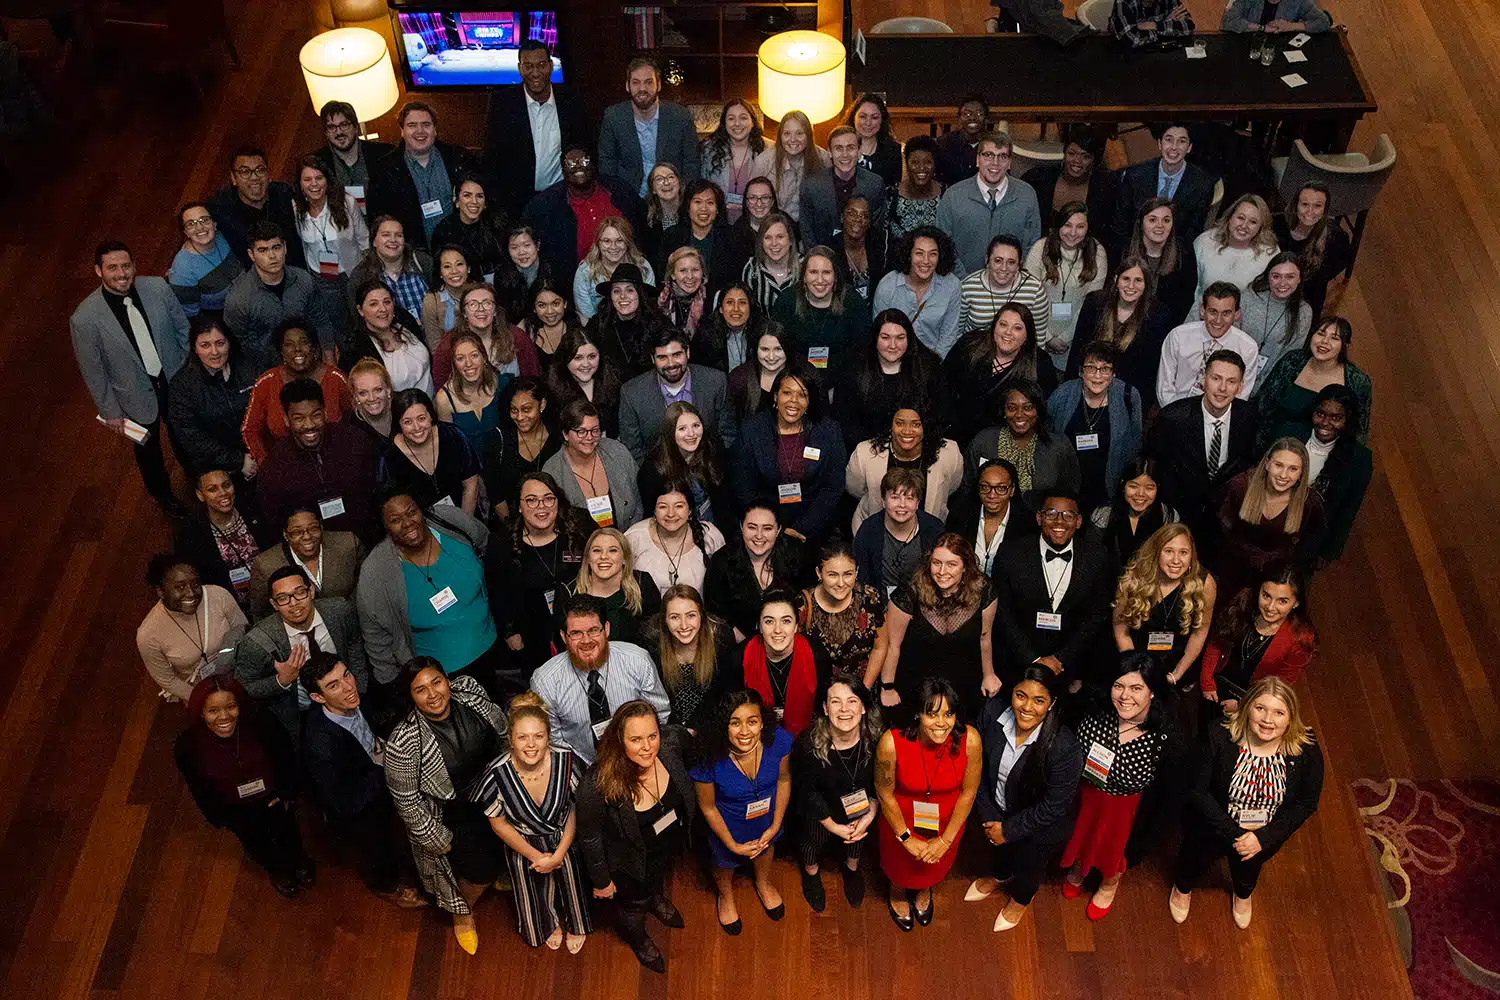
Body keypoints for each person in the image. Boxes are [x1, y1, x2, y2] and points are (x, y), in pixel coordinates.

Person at [1169, 676, 1324, 929]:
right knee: (1194, 859)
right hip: (1211, 826)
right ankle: (1182, 888)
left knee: (1249, 869)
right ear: (1247, 707)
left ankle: (1243, 894)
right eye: (1260, 708)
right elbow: (1197, 790)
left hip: (1263, 835)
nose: (1268, 720)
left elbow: (1307, 802)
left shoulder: (1306, 748)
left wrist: (1262, 838)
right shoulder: (1218, 734)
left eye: (1278, 712)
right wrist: (1236, 835)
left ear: (1291, 717)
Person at [384, 659, 508, 953]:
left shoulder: (471, 693)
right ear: (411, 697)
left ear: (447, 680)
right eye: (420, 689)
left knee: (508, 848)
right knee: (479, 872)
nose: (433, 694)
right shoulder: (404, 741)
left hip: (498, 795)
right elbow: (407, 800)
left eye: (436, 682)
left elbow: (503, 732)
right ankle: (462, 912)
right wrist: (436, 838)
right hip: (458, 814)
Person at [298, 652, 427, 907]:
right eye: (333, 685)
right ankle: (388, 887)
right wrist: (383, 766)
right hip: (359, 810)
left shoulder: (357, 700)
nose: (348, 687)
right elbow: (343, 803)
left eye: (346, 675)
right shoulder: (320, 745)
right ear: (317, 697)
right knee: (375, 850)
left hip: (379, 784)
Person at [575, 700, 694, 973]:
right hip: (627, 865)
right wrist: (602, 881)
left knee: (656, 882)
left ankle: (655, 898)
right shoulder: (598, 783)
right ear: (619, 740)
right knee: (633, 908)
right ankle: (639, 941)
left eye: (652, 736)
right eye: (636, 739)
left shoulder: (670, 748)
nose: (647, 746)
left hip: (665, 850)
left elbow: (687, 740)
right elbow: (590, 837)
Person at [72, 241, 191, 513]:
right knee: (148, 452)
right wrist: (110, 411)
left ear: (134, 266)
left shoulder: (158, 288)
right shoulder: (84, 319)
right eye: (112, 268)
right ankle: (163, 496)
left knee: (183, 431)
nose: (121, 273)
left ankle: (196, 475)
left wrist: (187, 370)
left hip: (174, 379)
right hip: (132, 398)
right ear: (98, 271)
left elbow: (182, 328)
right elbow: (94, 370)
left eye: (126, 266)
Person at [356, 488, 507, 698]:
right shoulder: (376, 572)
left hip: (495, 653)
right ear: (384, 526)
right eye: (395, 519)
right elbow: (375, 636)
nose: (408, 522)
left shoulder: (451, 522)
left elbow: (489, 548)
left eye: (411, 512)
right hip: (438, 678)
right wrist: (394, 686)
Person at [472, 691, 592, 952]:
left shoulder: (567, 761)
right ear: (511, 740)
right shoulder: (495, 775)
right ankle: (546, 923)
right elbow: (498, 823)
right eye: (522, 737)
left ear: (548, 737)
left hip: (565, 838)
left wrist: (558, 854)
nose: (531, 744)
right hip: (522, 844)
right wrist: (537, 856)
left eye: (538, 736)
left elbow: (575, 808)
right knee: (533, 890)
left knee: (574, 882)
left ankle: (575, 921)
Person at [1057, 654, 1174, 920]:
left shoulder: (1165, 737)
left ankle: (1110, 882)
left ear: (1152, 692)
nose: (1124, 696)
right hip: (1086, 795)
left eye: (1136, 688)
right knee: (1080, 836)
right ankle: (1079, 867)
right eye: (1118, 686)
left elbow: (1166, 796)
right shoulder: (1095, 711)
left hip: (1127, 809)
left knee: (1115, 849)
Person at [967, 666, 1082, 931]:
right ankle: (1000, 876)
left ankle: (1020, 899)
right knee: (998, 850)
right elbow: (977, 767)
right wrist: (991, 818)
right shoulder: (993, 714)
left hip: (1041, 826)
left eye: (1039, 700)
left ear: (1051, 703)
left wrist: (1008, 829)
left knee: (1030, 864)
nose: (1027, 707)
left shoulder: (1065, 747)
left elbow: (1053, 807)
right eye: (1021, 696)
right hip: (998, 810)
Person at [174, 675, 311, 897]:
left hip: (273, 798)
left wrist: (285, 791)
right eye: (213, 711)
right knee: (257, 843)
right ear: (201, 712)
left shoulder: (261, 722)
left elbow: (285, 755)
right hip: (236, 810)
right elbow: (198, 786)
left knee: (288, 831)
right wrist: (222, 817)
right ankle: (278, 871)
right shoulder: (188, 746)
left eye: (230, 707)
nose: (224, 716)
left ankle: (299, 862)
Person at [875, 677, 983, 931]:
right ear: (917, 713)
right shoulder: (891, 743)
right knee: (899, 868)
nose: (941, 723)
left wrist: (945, 840)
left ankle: (924, 889)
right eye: (931, 714)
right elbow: (884, 793)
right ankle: (898, 892)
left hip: (948, 824)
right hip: (900, 822)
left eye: (948, 714)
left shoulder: (971, 740)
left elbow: (969, 792)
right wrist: (905, 837)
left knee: (933, 866)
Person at [692, 688, 794, 932]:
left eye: (752, 721)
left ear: (762, 723)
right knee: (725, 864)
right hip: (727, 828)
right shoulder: (707, 756)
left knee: (766, 849)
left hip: (768, 820)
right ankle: (725, 896)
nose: (745, 732)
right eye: (735, 723)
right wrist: (732, 845)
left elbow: (784, 780)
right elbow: (707, 807)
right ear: (723, 726)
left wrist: (775, 825)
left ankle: (763, 882)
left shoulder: (778, 740)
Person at [990, 490, 1116, 690]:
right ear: (1039, 518)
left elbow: (1097, 616)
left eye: (1068, 515)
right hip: (1018, 666)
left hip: (1072, 670)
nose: (1060, 521)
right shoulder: (1011, 553)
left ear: (1079, 521)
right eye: (1051, 514)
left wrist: (1061, 658)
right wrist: (1034, 659)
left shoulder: (1097, 557)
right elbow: (1002, 613)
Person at [530, 594, 671, 764]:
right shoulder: (545, 681)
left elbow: (659, 715)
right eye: (576, 633)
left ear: (607, 629)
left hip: (639, 760)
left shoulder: (638, 661)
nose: (586, 641)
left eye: (594, 630)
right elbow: (553, 739)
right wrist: (583, 773)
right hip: (580, 768)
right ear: (563, 637)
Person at [233, 565, 368, 738]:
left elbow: (354, 645)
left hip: (349, 703)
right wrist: (281, 680)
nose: (294, 603)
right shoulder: (257, 642)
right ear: (274, 604)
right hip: (302, 718)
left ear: (311, 591)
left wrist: (360, 691)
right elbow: (242, 687)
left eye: (299, 592)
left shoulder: (339, 611)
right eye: (283, 598)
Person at [878, 534, 999, 719]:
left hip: (964, 684)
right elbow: (892, 645)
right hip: (915, 684)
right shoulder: (910, 590)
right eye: (937, 563)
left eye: (951, 564)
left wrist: (989, 674)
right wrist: (888, 687)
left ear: (965, 566)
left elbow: (985, 638)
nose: (942, 571)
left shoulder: (984, 589)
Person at [792, 673, 881, 911]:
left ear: (863, 707)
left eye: (852, 701)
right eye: (835, 702)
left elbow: (883, 782)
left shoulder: (876, 739)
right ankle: (811, 874)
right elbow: (805, 791)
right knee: (813, 840)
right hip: (820, 809)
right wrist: (832, 825)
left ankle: (851, 870)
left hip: (862, 807)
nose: (844, 709)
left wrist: (871, 813)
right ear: (824, 708)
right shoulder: (808, 744)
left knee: (858, 836)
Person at [1147, 351, 1260, 537]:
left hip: (1224, 515)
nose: (1222, 388)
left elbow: (1248, 460)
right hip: (1179, 511)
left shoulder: (1249, 416)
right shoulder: (1172, 418)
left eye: (1231, 382)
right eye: (1216, 378)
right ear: (1203, 379)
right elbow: (1153, 461)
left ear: (1240, 387)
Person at [256, 378, 383, 542]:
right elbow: (275, 523)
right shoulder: (275, 467)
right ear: (287, 420)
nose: (309, 425)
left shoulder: (355, 441)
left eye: (315, 415)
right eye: (299, 418)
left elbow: (377, 493)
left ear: (325, 413)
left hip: (367, 538)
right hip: (314, 549)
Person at [731, 366, 848, 544]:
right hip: (763, 530)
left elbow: (832, 488)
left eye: (802, 395)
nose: (794, 401)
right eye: (787, 393)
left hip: (814, 530)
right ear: (776, 396)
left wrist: (801, 529)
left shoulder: (828, 431)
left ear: (810, 402)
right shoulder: (752, 430)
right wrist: (773, 528)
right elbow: (744, 488)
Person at [483, 39, 592, 218]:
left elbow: (585, 147)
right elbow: (491, 158)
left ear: (550, 66)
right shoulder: (502, 104)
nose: (535, 73)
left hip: (563, 199)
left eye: (541, 65)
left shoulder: (572, 100)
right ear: (520, 68)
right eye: (528, 66)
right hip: (517, 204)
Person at [497, 473, 591, 678]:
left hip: (582, 620)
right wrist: (510, 632)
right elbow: (498, 591)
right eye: (531, 500)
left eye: (548, 498)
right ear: (520, 506)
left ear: (558, 500)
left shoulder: (580, 526)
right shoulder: (502, 543)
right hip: (533, 629)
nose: (541, 506)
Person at [1199, 566, 1316, 716]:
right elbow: (1217, 643)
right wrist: (1206, 682)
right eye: (1266, 596)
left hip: (1254, 701)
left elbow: (1281, 683)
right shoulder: (1243, 605)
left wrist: (1244, 705)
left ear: (1296, 603)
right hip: (1216, 686)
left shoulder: (1301, 637)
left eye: (1282, 601)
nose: (1271, 607)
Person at [1113, 524, 1217, 687]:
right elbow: (1121, 629)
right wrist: (1135, 671)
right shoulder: (1134, 579)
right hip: (1135, 668)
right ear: (1156, 552)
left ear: (1191, 556)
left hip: (1178, 672)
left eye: (1183, 552)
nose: (1176, 560)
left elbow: (1200, 633)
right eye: (1168, 551)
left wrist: (1177, 674)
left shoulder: (1204, 584)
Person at [1217, 438, 1325, 594]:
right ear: (1267, 463)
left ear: (1302, 473)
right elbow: (1219, 526)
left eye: (1293, 469)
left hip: (1276, 580)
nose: (1283, 475)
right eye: (1278, 465)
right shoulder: (1240, 487)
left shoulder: (1310, 503)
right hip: (1233, 571)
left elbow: (1311, 545)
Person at [1276, 386, 1371, 564]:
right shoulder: (1288, 432)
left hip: (1306, 543)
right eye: (1320, 414)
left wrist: (1327, 554)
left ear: (1348, 419)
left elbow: (1347, 511)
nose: (1325, 423)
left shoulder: (1359, 459)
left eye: (1336, 418)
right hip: (1268, 528)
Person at [522, 146, 646, 281]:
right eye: (570, 163)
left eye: (584, 161)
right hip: (573, 282)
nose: (578, 166)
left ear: (593, 165)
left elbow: (644, 224)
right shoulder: (546, 204)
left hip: (628, 278)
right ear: (563, 171)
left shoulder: (618, 190)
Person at [1046, 342, 1143, 513]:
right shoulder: (1063, 394)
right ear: (1080, 371)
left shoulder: (1128, 395)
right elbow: (1046, 436)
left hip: (1108, 491)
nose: (1098, 375)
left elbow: (1133, 445)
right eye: (1091, 368)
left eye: (1105, 369)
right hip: (1066, 488)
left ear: (1113, 373)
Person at [1066, 257, 1176, 409]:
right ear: (1116, 280)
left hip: (1129, 397)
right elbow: (1078, 351)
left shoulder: (1158, 315)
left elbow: (1151, 370)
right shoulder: (1095, 303)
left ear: (1146, 285)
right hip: (1089, 389)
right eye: (1126, 279)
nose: (1131, 286)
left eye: (1138, 280)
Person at [224, 223, 334, 372]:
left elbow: (321, 320)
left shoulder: (303, 279)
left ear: (285, 247)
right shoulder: (238, 298)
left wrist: (329, 358)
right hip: (268, 369)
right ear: (251, 255)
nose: (272, 256)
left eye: (276, 248)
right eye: (263, 250)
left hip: (309, 361)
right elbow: (239, 345)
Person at [138, 554, 247, 703]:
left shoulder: (219, 596)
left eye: (195, 584)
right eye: (180, 587)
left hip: (240, 673)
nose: (190, 593)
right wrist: (204, 699)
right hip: (198, 691)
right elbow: (167, 680)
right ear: (160, 591)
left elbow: (243, 631)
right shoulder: (148, 634)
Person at [241, 319, 353, 464]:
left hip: (335, 463)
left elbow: (354, 424)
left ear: (314, 347)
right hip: (283, 467)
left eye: (304, 342)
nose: (297, 349)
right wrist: (265, 463)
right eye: (289, 344)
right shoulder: (266, 382)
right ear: (281, 350)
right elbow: (250, 430)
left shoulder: (336, 379)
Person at [833, 311, 949, 450]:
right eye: (885, 337)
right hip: (868, 449)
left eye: (900, 338)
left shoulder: (928, 369)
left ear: (909, 339)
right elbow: (845, 422)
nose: (893, 345)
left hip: (917, 448)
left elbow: (940, 417)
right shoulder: (854, 369)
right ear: (875, 339)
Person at [366, 102, 474, 251]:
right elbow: (378, 220)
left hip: (458, 252)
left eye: (426, 125)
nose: (420, 131)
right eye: (412, 125)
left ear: (435, 130)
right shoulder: (384, 170)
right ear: (402, 131)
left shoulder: (457, 158)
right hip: (412, 255)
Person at [618, 329, 736, 462]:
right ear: (652, 359)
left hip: (709, 471)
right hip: (658, 476)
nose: (671, 363)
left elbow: (728, 434)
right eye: (662, 357)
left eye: (677, 355)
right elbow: (633, 449)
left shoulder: (716, 381)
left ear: (688, 353)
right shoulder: (632, 393)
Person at [947, 305, 1058, 445]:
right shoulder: (969, 344)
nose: (1008, 332)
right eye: (1003, 324)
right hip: (958, 434)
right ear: (994, 327)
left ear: (1027, 336)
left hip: (1005, 441)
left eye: (1017, 328)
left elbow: (1043, 414)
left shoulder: (1040, 363)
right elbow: (943, 385)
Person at [847, 400, 964, 533]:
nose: (907, 431)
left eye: (916, 424)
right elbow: (855, 489)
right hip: (873, 535)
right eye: (899, 423)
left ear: (926, 426)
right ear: (890, 425)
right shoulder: (865, 453)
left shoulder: (949, 454)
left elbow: (951, 487)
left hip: (929, 537)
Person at [936, 131, 1042, 275]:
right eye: (988, 155)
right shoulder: (953, 196)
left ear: (1010, 163)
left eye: (1002, 156)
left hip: (1011, 285)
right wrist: (966, 282)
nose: (995, 163)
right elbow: (944, 244)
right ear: (977, 159)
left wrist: (1010, 277)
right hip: (962, 287)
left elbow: (1032, 245)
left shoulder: (1027, 195)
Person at [641, 584, 740, 735]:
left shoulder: (720, 639)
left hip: (713, 724)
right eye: (674, 617)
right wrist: (678, 731)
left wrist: (695, 728)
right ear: (665, 620)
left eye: (691, 615)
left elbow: (724, 693)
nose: (684, 625)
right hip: (667, 727)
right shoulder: (653, 645)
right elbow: (655, 699)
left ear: (701, 615)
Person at [1255, 316, 1372, 443]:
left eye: (1334, 338)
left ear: (1344, 346)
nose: (1324, 341)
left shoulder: (1357, 381)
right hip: (1273, 445)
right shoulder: (1292, 361)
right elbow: (1262, 405)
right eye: (1321, 334)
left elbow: (1358, 434)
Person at [168, 317, 257, 480]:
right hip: (216, 467)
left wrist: (258, 453)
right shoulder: (181, 387)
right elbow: (193, 439)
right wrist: (239, 461)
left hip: (256, 455)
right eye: (205, 345)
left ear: (229, 343)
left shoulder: (249, 367)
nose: (214, 352)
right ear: (194, 348)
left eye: (220, 343)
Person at [704, 502, 807, 643]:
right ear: (741, 527)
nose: (759, 536)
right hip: (738, 646)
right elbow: (716, 614)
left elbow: (805, 601)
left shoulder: (795, 554)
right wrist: (749, 647)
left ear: (778, 530)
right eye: (752, 527)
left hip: (788, 642)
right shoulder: (721, 561)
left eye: (767, 528)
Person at [174, 467, 275, 609]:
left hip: (276, 591)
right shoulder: (192, 533)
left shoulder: (254, 508)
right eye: (212, 489)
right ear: (200, 495)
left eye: (226, 485)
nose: (223, 493)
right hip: (233, 605)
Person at [599, 56, 700, 197]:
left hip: (672, 198)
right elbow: (607, 164)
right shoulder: (613, 117)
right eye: (636, 83)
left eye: (648, 82)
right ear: (627, 86)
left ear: (658, 85)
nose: (642, 89)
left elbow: (692, 162)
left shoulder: (680, 116)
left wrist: (684, 196)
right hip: (629, 197)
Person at [1025, 202, 1109, 371]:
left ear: (1087, 229)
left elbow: (1090, 304)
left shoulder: (1097, 253)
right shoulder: (1040, 249)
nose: (1072, 233)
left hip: (1075, 340)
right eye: (1067, 225)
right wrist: (1047, 337)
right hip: (1038, 336)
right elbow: (1028, 297)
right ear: (1058, 226)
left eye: (1080, 226)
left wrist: (1064, 338)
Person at [738, 590, 833, 737]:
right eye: (769, 621)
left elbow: (823, 708)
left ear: (796, 626)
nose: (777, 630)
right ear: (760, 627)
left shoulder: (817, 654)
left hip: (807, 737)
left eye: (786, 621)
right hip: (754, 738)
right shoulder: (739, 657)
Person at [1110, 125, 1217, 254]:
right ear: (1160, 144)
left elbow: (1192, 233)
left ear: (1189, 148)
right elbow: (1121, 225)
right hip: (1134, 252)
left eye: (1181, 141)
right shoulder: (1135, 175)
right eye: (1169, 140)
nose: (1174, 147)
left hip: (1175, 257)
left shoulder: (1202, 184)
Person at [965, 382, 1080, 500]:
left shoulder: (1058, 445)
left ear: (1038, 410)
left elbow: (1071, 492)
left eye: (1028, 407)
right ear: (1004, 411)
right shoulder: (985, 441)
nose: (1019, 414)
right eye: (1012, 408)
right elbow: (968, 488)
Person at [291, 153, 367, 332]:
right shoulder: (295, 209)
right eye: (307, 179)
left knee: (361, 321)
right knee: (339, 326)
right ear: (300, 184)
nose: (314, 184)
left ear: (327, 180)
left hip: (352, 273)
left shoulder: (346, 202)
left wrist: (367, 272)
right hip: (322, 278)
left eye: (319, 178)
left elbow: (364, 239)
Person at [543, 399, 643, 530]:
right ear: (565, 434)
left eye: (595, 430)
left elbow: (639, 502)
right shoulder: (552, 471)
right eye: (581, 431)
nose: (589, 437)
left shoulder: (617, 452)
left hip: (626, 540)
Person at [797, 539, 888, 682]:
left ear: (857, 572)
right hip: (817, 694)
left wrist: (863, 691)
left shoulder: (869, 598)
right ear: (819, 573)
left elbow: (880, 647)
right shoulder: (802, 605)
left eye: (848, 574)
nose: (841, 583)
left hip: (859, 692)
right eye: (832, 575)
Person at [379, 388, 482, 515]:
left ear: (431, 416)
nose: (417, 427)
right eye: (407, 422)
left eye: (421, 418)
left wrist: (465, 527)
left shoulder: (453, 435)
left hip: (466, 514)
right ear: (399, 424)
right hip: (421, 528)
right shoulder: (390, 458)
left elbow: (471, 484)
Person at [1157, 283, 1261, 406]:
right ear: (1202, 310)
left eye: (1226, 313)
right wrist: (1175, 416)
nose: (1218, 320)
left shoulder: (1248, 348)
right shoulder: (1178, 336)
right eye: (1213, 311)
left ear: (1237, 314)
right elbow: (1164, 387)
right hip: (1175, 410)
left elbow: (1240, 396)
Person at [772, 248, 872, 375]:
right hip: (796, 377)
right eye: (813, 272)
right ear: (804, 276)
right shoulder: (787, 300)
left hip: (844, 377)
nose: (820, 280)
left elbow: (862, 349)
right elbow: (777, 347)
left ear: (835, 277)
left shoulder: (852, 301)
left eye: (826, 272)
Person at [247, 507, 363, 617]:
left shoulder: (348, 544)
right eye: (297, 532)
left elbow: (365, 585)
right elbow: (260, 613)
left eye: (313, 529)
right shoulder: (266, 565)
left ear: (321, 527)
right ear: (286, 535)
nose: (307, 537)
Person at [852, 467, 947, 599]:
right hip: (879, 606)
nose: (902, 505)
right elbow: (861, 579)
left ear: (918, 502)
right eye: (895, 497)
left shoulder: (934, 529)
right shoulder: (869, 530)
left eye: (909, 498)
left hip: (924, 607)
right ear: (883, 501)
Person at [638, 401, 735, 529]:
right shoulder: (653, 469)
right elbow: (651, 515)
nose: (691, 434)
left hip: (715, 529)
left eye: (696, 425)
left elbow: (727, 502)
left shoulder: (713, 451)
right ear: (670, 432)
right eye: (682, 428)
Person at [561, 526, 663, 648]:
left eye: (613, 550)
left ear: (625, 558)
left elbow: (657, 636)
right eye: (597, 550)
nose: (604, 556)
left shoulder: (642, 583)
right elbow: (563, 643)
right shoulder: (568, 591)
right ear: (588, 558)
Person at [208, 146, 306, 270]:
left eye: (260, 170)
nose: (254, 177)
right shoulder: (221, 208)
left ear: (268, 174)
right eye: (245, 172)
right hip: (253, 282)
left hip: (297, 273)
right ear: (233, 178)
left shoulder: (286, 194)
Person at [872, 226, 963, 359]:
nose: (926, 261)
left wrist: (933, 367)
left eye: (933, 254)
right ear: (909, 255)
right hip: (893, 358)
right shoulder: (887, 286)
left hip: (933, 360)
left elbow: (948, 336)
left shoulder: (951, 286)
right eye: (919, 253)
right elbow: (879, 334)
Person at [625, 481, 727, 596]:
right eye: (663, 507)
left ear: (690, 510)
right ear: (654, 511)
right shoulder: (635, 538)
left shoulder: (709, 535)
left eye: (679, 506)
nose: (671, 514)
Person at [434, 282, 542, 389]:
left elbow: (533, 380)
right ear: (464, 313)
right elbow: (441, 386)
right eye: (473, 304)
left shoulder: (516, 337)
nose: (481, 309)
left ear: (495, 311)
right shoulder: (449, 344)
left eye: (487, 303)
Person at [957, 234, 1053, 352]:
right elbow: (957, 333)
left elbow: (1038, 339)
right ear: (987, 260)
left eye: (1011, 262)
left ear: (1019, 265)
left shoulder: (1035, 290)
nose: (1004, 268)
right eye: (998, 260)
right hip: (974, 353)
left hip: (1017, 356)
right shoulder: (968, 287)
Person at [657, 181, 749, 302]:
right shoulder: (672, 237)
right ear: (688, 207)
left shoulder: (733, 238)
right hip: (678, 305)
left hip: (720, 306)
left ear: (717, 209)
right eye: (698, 202)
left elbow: (737, 282)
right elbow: (663, 276)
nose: (704, 208)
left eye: (710, 203)